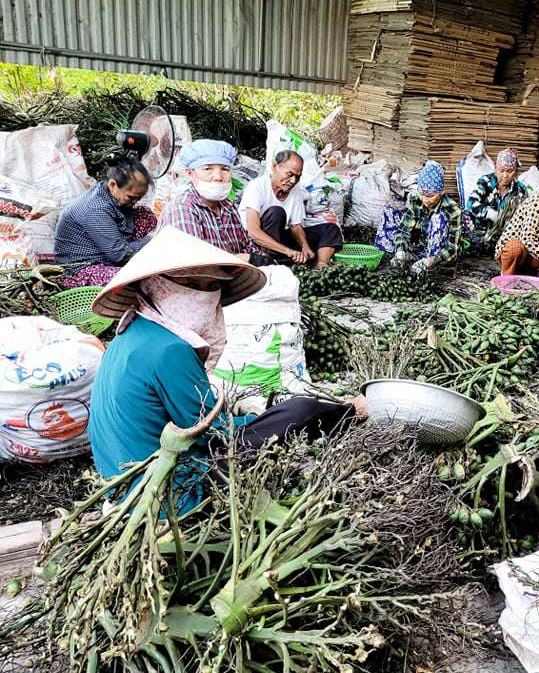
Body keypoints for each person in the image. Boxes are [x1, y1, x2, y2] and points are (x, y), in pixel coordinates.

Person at [88, 226, 366, 511]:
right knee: (300, 409)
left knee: (272, 415)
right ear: (158, 285)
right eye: (195, 286)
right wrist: (261, 422)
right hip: (167, 494)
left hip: (119, 482)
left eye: (213, 287)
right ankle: (351, 411)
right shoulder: (170, 350)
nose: (208, 298)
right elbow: (214, 435)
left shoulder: (132, 330)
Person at [54, 157, 156, 288]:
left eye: (139, 198)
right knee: (135, 277)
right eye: (131, 197)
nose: (135, 202)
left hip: (108, 255)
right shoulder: (96, 208)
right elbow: (120, 254)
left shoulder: (112, 197)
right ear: (113, 185)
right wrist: (153, 240)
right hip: (80, 271)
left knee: (144, 214)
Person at [239, 150, 343, 268]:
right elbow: (253, 232)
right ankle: (273, 260)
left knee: (330, 228)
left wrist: (305, 246)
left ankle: (320, 264)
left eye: (297, 177)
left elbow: (296, 226)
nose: (293, 181)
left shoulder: (295, 190)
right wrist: (288, 251)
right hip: (258, 242)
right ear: (274, 167)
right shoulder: (257, 187)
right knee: (276, 212)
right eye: (289, 174)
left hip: (280, 238)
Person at [158, 139, 259, 259]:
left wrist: (258, 258)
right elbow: (194, 262)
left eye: (225, 169)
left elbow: (246, 245)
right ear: (190, 174)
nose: (218, 177)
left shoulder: (228, 207)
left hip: (229, 274)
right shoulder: (183, 207)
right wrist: (240, 258)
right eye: (207, 169)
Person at [375, 161, 463, 276]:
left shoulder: (452, 210)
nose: (425, 200)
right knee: (389, 210)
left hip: (438, 256)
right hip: (418, 247)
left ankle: (429, 266)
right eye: (422, 194)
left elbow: (453, 249)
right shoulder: (415, 200)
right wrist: (401, 250)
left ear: (442, 192)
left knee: (438, 218)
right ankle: (393, 257)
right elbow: (403, 231)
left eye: (430, 196)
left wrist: (431, 260)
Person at [464, 148, 529, 247]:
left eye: (510, 171)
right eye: (501, 170)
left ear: (516, 171)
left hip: (505, 237)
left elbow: (524, 216)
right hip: (480, 232)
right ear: (495, 169)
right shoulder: (486, 182)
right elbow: (470, 203)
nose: (505, 175)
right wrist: (491, 214)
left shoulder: (520, 190)